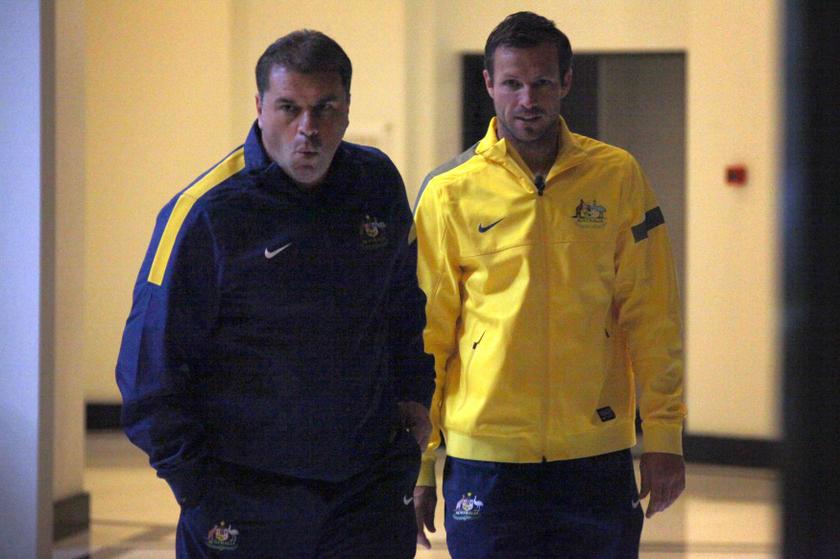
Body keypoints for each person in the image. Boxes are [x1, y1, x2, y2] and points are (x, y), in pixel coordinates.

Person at [116, 30, 433, 558]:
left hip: (367, 496)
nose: (308, 128)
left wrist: (414, 400)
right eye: (289, 108)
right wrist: (199, 493)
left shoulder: (376, 184)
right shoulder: (206, 214)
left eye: (325, 108)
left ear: (347, 110)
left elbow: (403, 308)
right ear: (260, 107)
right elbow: (150, 369)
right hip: (245, 502)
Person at [412, 11, 686, 559]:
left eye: (541, 82)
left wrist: (664, 435)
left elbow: (652, 315)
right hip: (485, 458)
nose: (527, 99)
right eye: (512, 83)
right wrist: (419, 462)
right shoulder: (448, 192)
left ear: (566, 82)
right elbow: (426, 336)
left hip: (595, 455)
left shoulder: (617, 176)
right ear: (488, 83)